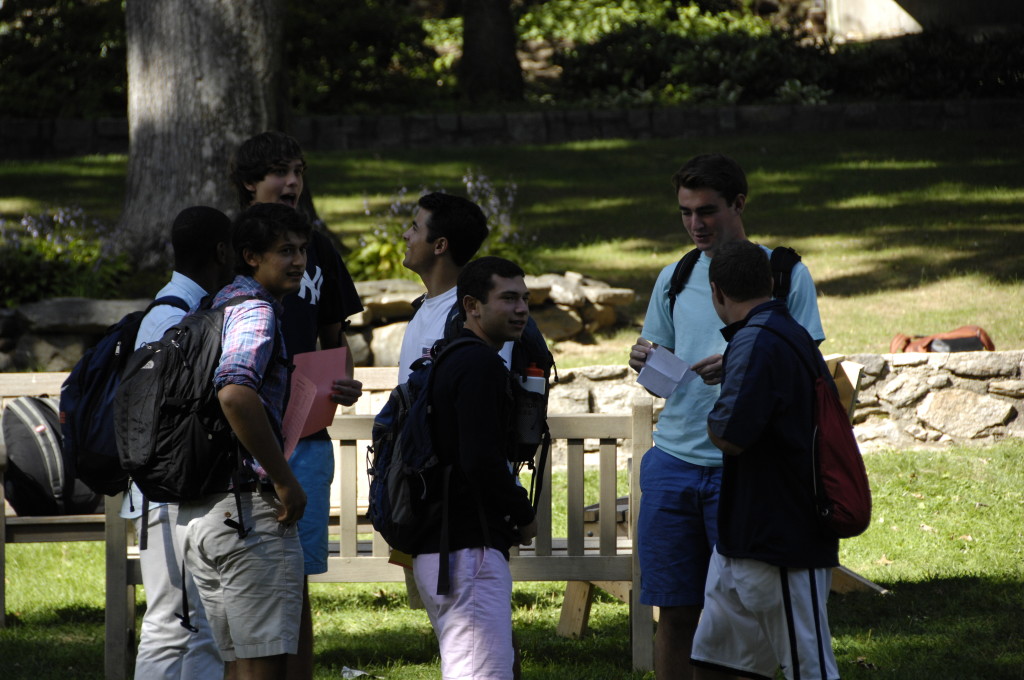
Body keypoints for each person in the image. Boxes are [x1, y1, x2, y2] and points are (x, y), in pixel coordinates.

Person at [627, 153, 825, 680]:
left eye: (707, 210)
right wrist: (645, 359)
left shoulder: (783, 273)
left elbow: (804, 368)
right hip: (672, 463)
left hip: (745, 470)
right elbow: (661, 359)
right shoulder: (675, 275)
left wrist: (743, 363)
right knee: (674, 612)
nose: (695, 224)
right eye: (685, 212)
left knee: (747, 618)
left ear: (738, 204)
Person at [231, 130, 364, 679]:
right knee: (244, 586)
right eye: (279, 172)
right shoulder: (227, 247)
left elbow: (334, 337)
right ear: (249, 183)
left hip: (305, 438)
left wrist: (343, 379)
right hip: (240, 442)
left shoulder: (318, 248)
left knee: (295, 582)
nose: (292, 182)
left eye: (299, 171)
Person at [692, 239, 840, 680]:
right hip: (743, 541)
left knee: (811, 670)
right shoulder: (779, 333)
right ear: (771, 285)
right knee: (716, 663)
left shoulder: (759, 341)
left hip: (782, 542)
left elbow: (728, 435)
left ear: (717, 292)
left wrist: (714, 417)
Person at [178, 202, 310, 680]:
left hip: (204, 511)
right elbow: (234, 391)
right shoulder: (254, 309)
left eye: (303, 250)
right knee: (262, 667)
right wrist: (284, 480)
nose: (299, 261)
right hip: (247, 512)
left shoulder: (212, 305)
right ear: (251, 256)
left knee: (237, 664)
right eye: (285, 251)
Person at [409, 256, 539, 680]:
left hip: (447, 547)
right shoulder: (479, 365)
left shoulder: (452, 357)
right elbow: (480, 461)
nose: (521, 309)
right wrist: (524, 514)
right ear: (472, 306)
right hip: (467, 553)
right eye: (508, 298)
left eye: (525, 299)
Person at [124, 205, 234, 680]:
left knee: (204, 626)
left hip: (178, 490)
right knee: (171, 625)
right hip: (167, 493)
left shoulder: (186, 309)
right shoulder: (173, 317)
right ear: (223, 252)